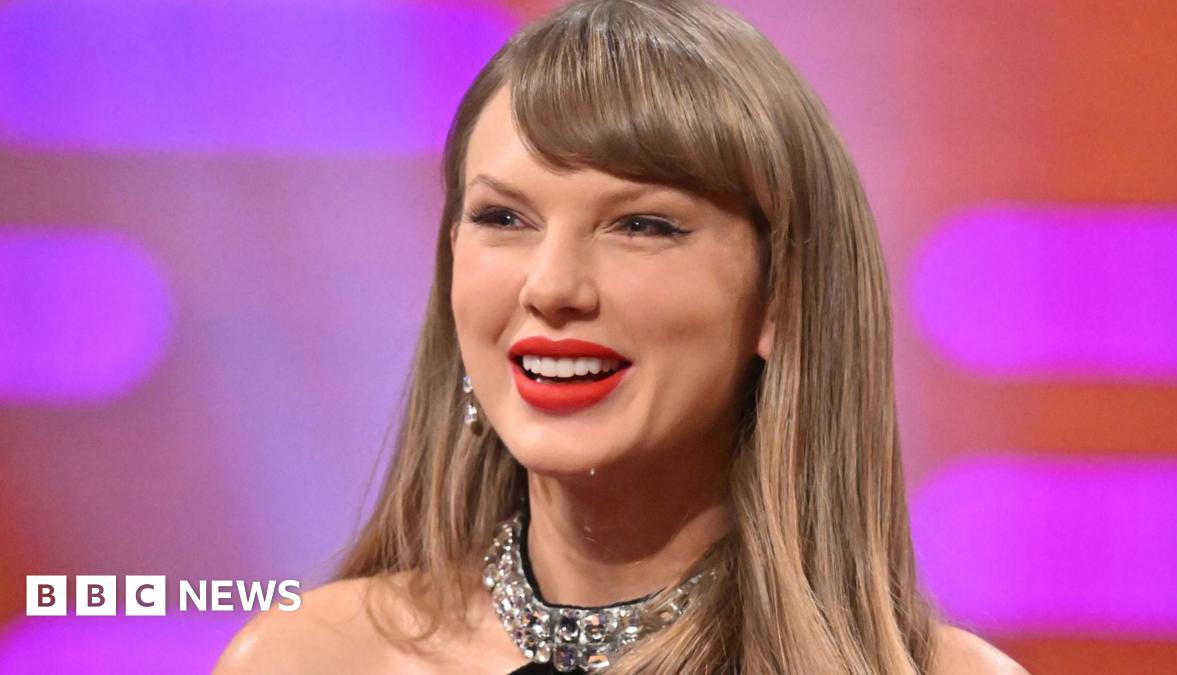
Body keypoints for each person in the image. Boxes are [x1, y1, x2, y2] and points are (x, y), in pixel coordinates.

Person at [216, 0, 1028, 673]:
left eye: (641, 224)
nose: (552, 286)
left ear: (782, 295)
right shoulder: (305, 656)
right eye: (504, 218)